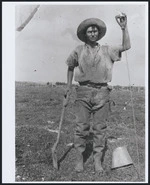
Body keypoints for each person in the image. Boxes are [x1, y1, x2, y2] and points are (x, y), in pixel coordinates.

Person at [64, 13, 131, 173]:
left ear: (98, 33)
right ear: (85, 34)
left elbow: (126, 46)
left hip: (102, 93)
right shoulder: (78, 50)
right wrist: (67, 87)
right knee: (81, 128)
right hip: (83, 93)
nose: (93, 33)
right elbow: (70, 67)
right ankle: (79, 160)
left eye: (95, 31)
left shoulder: (108, 49)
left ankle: (97, 161)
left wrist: (124, 28)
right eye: (89, 31)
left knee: (100, 129)